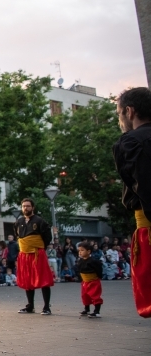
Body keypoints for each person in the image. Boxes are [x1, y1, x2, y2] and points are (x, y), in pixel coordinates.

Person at [113, 87, 151, 317]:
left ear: (130, 111)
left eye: (119, 113)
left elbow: (142, 187)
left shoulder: (130, 143)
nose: (120, 119)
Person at [14, 198, 55, 315]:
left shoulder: (40, 221)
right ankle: (30, 306)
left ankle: (46, 306)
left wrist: (38, 247)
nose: (25, 208)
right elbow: (17, 235)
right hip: (24, 254)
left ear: (33, 207)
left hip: (37, 253)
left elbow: (47, 237)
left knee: (43, 279)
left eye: (27, 206)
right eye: (23, 206)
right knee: (27, 279)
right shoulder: (19, 221)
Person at [75, 242, 104, 318]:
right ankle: (86, 309)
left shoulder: (93, 261)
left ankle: (97, 311)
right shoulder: (80, 261)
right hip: (85, 282)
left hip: (93, 281)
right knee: (85, 296)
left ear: (88, 251)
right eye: (79, 250)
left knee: (95, 296)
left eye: (82, 250)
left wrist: (98, 277)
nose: (80, 252)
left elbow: (99, 270)